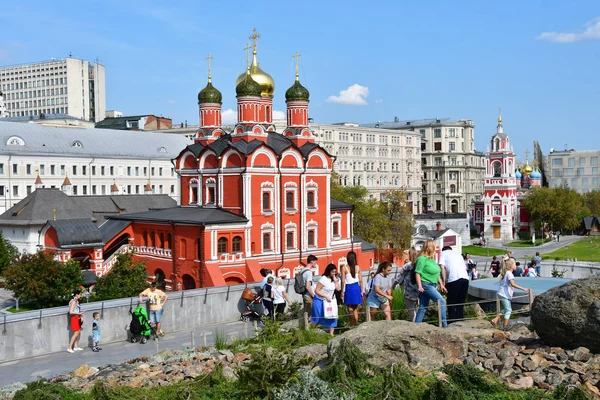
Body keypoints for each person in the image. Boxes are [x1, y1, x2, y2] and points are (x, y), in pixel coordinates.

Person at [491, 257, 531, 329]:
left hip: (502, 293)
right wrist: (523, 288)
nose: (516, 266)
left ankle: (495, 319)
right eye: (515, 264)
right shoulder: (510, 274)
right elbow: (512, 284)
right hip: (504, 294)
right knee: (509, 310)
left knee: (507, 309)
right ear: (511, 265)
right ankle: (505, 327)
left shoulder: (507, 273)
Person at [415, 240, 448, 327]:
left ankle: (416, 325)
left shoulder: (432, 260)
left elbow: (436, 273)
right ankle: (444, 324)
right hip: (426, 284)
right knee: (441, 301)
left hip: (432, 284)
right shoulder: (421, 259)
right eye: (435, 247)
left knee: (423, 306)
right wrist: (419, 286)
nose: (436, 248)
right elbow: (417, 272)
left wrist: (441, 284)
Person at [439, 245, 469, 323]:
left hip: (454, 279)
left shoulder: (443, 253)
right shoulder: (458, 254)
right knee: (460, 302)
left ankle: (452, 321)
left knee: (451, 302)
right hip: (465, 278)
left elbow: (442, 267)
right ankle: (460, 320)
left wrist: (443, 282)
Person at [311, 263, 341, 336]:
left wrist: (335, 280)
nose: (334, 273)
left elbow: (338, 288)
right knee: (317, 317)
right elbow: (317, 290)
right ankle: (311, 332)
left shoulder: (335, 279)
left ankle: (331, 334)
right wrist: (325, 296)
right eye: (332, 272)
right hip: (319, 300)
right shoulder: (323, 279)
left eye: (335, 272)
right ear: (329, 271)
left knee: (332, 316)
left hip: (329, 302)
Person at [392, 248, 419, 322]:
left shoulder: (406, 266)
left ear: (409, 255)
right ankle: (419, 322)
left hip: (409, 290)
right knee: (418, 308)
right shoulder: (419, 264)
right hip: (419, 289)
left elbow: (400, 277)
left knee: (411, 309)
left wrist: (394, 285)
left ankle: (415, 324)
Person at [341, 251, 362, 326]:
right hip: (356, 287)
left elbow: (343, 281)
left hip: (349, 288)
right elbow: (361, 280)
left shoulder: (344, 267)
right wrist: (361, 291)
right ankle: (356, 324)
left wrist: (342, 291)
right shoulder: (358, 267)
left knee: (350, 308)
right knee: (355, 309)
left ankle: (351, 324)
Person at [301, 255, 317, 324]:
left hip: (304, 294)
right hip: (308, 295)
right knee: (309, 313)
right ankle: (308, 329)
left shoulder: (302, 270)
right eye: (315, 262)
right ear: (311, 261)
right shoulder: (309, 272)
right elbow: (308, 286)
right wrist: (313, 295)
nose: (315, 263)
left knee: (305, 312)